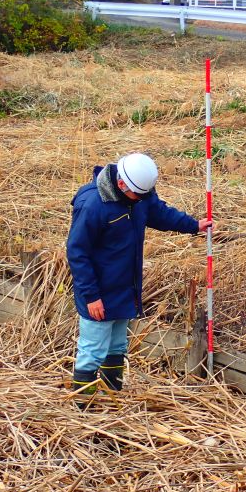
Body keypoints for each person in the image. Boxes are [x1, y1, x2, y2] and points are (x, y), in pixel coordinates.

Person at [66, 153, 212, 395]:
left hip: (124, 289)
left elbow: (159, 213)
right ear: (121, 184)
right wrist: (91, 296)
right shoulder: (93, 205)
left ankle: (112, 394)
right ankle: (83, 403)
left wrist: (193, 225)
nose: (143, 199)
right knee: (92, 351)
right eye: (138, 195)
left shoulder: (139, 195)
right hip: (98, 294)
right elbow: (77, 253)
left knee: (117, 347)